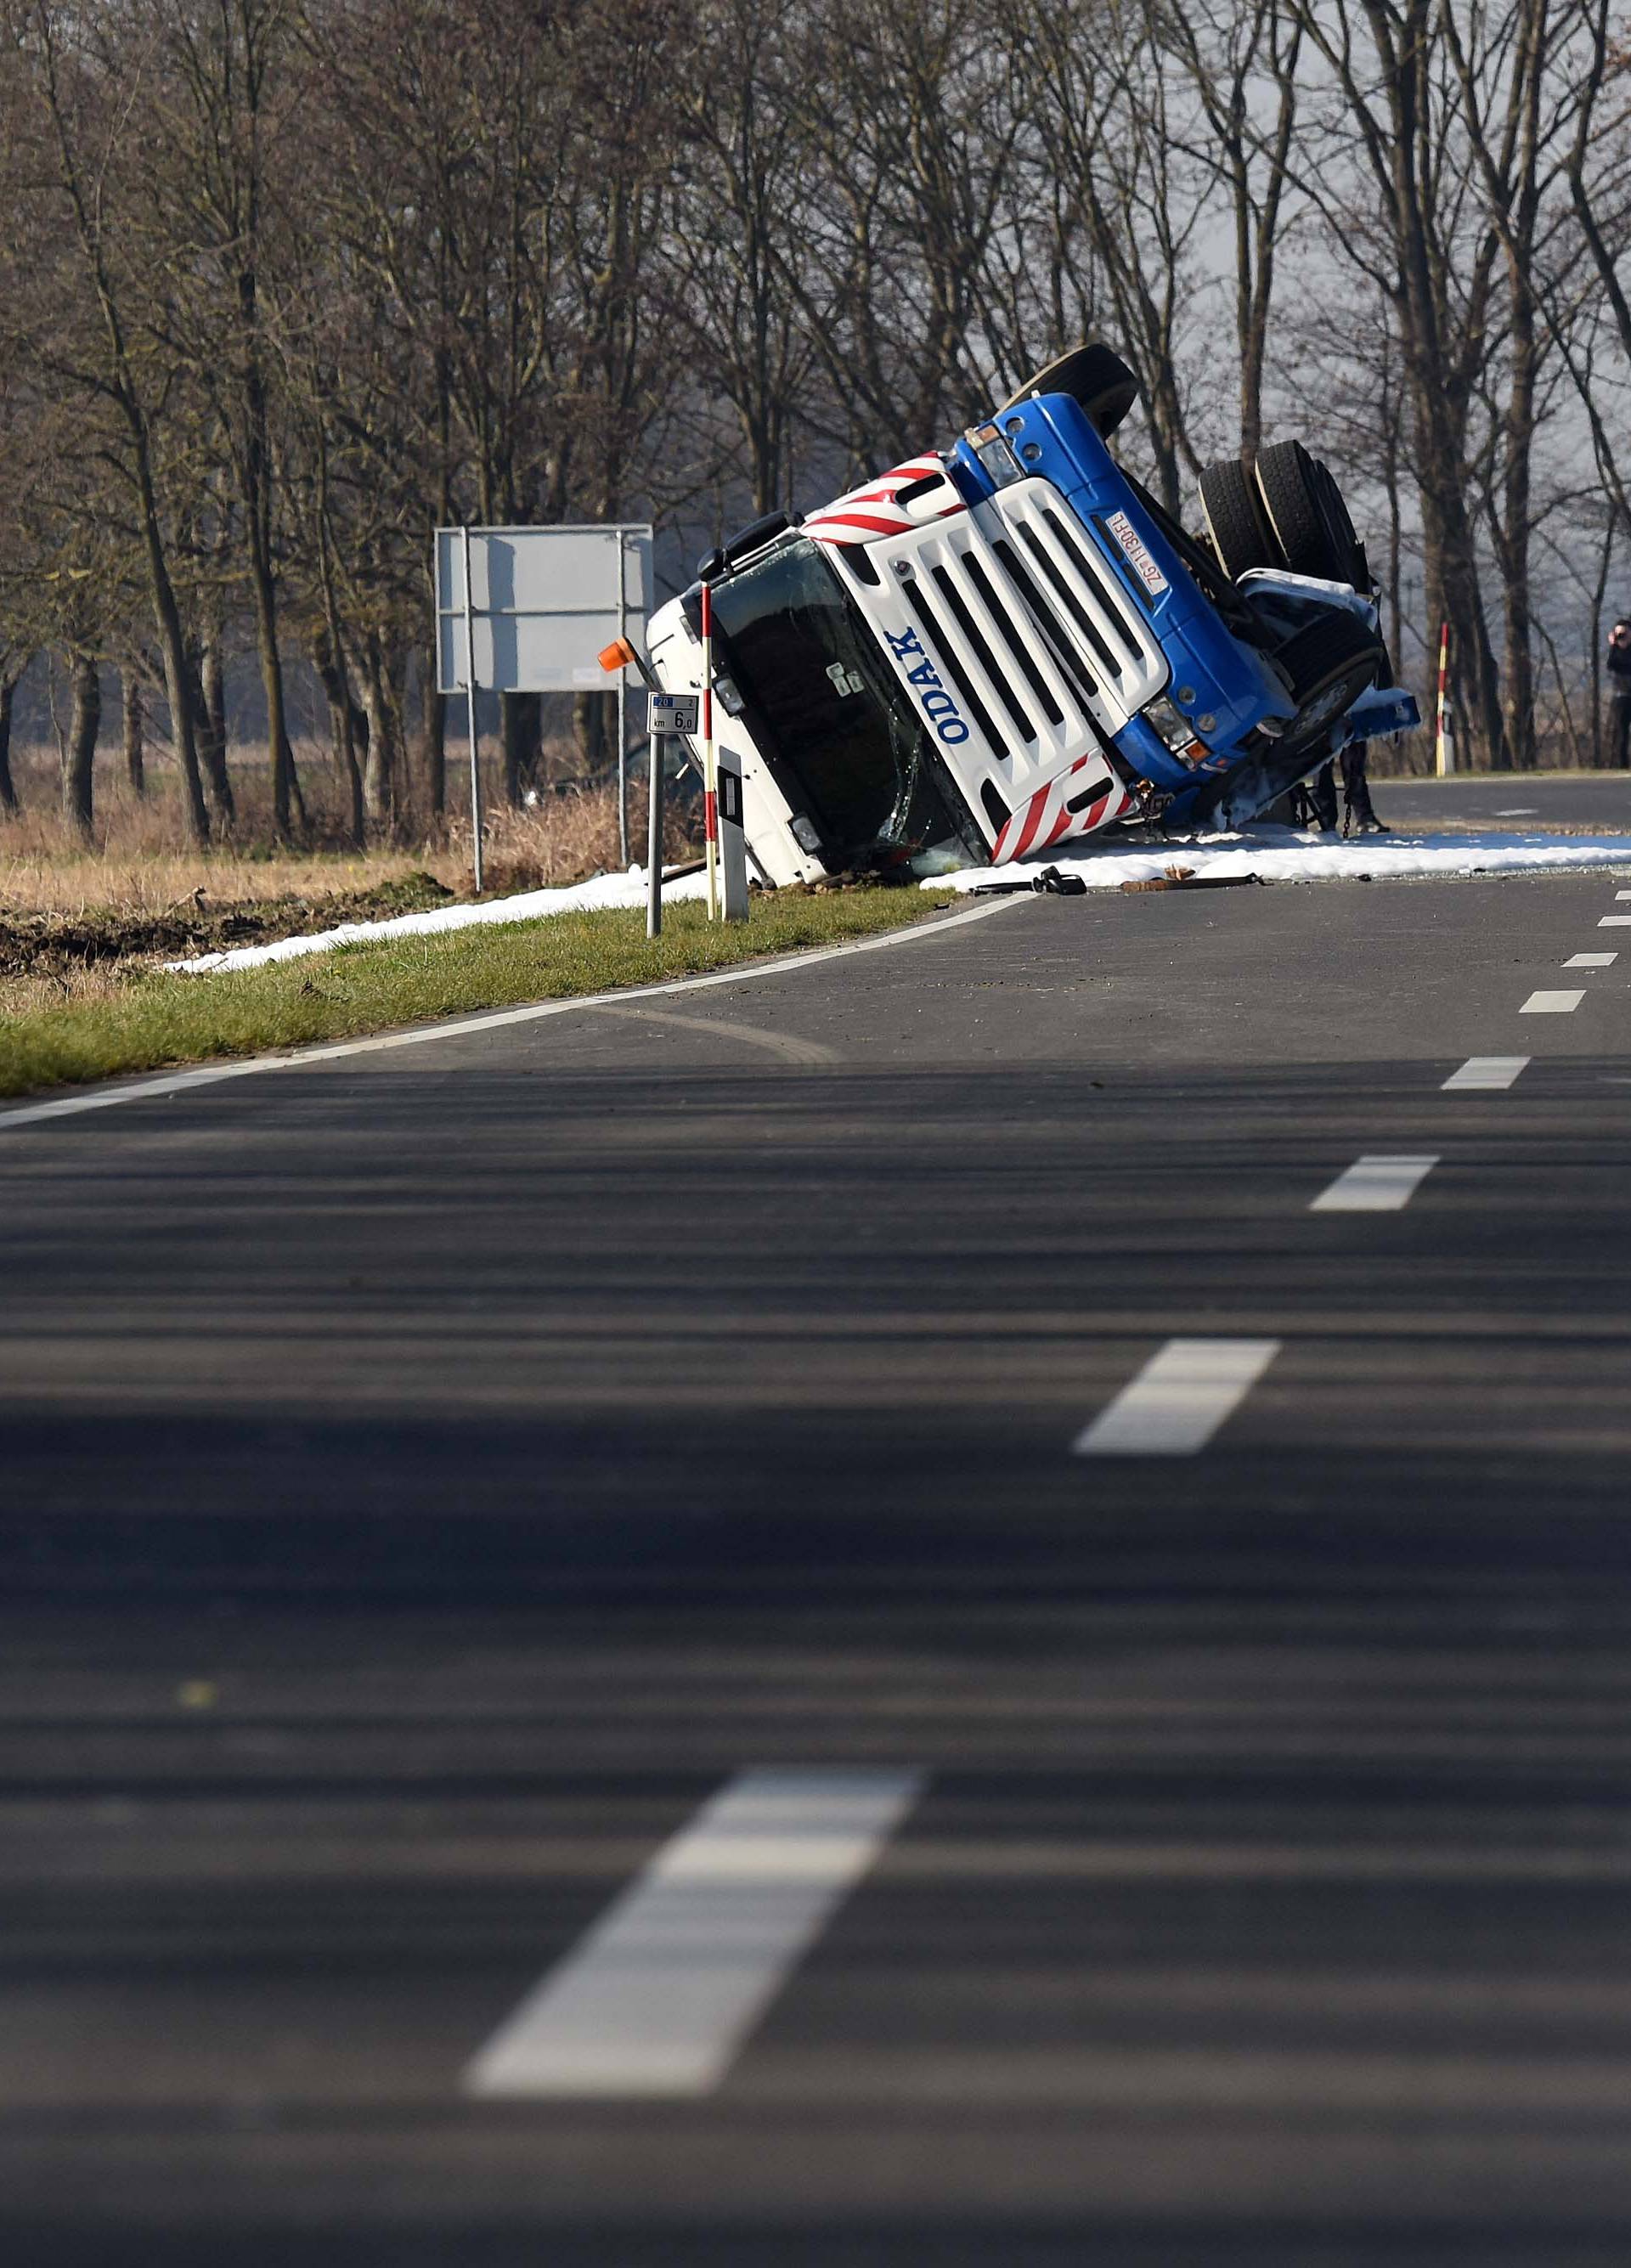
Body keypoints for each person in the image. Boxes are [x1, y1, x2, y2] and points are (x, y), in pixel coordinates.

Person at [1607, 618, 1631, 767]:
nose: (1621, 637)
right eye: (1619, 634)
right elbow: (1611, 665)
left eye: (1625, 633)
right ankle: (1622, 765)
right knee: (1621, 733)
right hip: (1621, 697)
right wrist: (1614, 646)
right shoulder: (1615, 652)